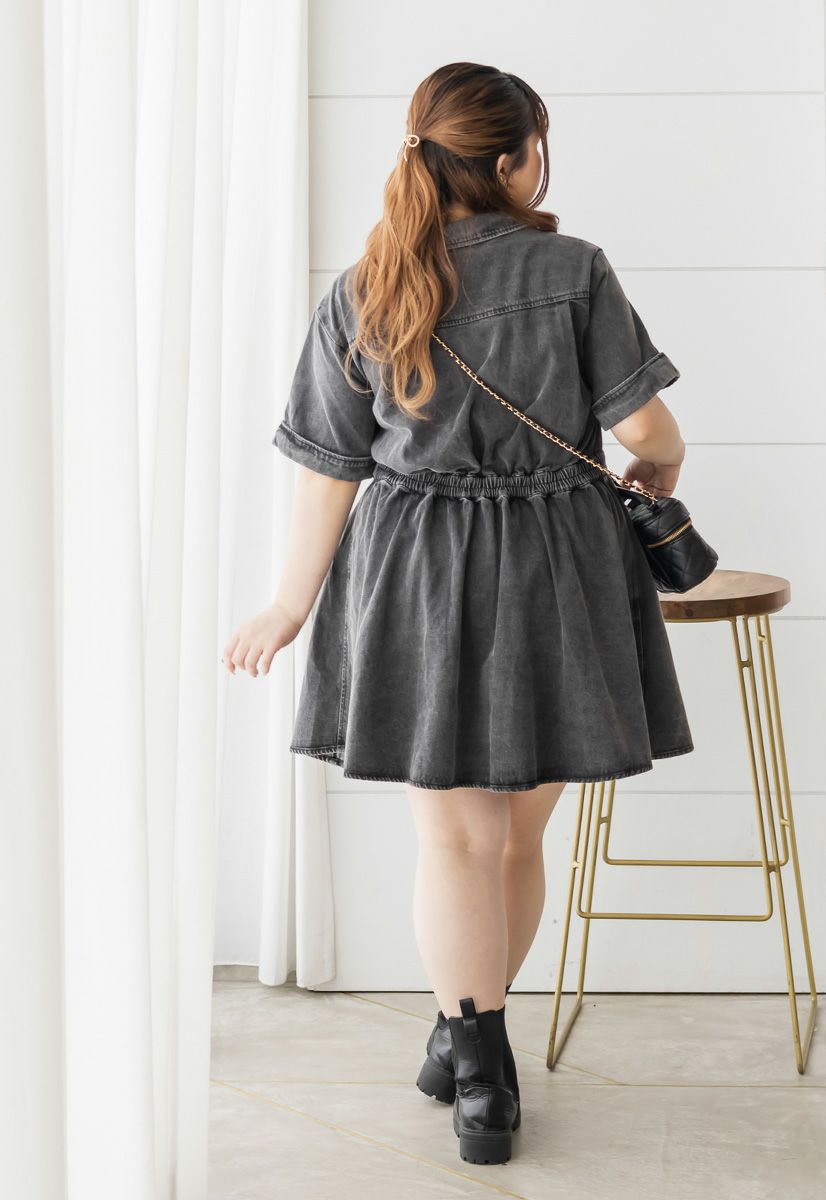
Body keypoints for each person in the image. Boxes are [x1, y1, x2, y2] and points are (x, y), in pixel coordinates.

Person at [222, 61, 693, 1167]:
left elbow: (330, 468)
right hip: (559, 565)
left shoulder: (366, 283)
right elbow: (647, 432)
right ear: (515, 159)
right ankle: (477, 1045)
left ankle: (472, 1059)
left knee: (455, 838)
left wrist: (290, 603)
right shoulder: (572, 270)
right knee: (518, 835)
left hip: (416, 572)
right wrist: (661, 477)